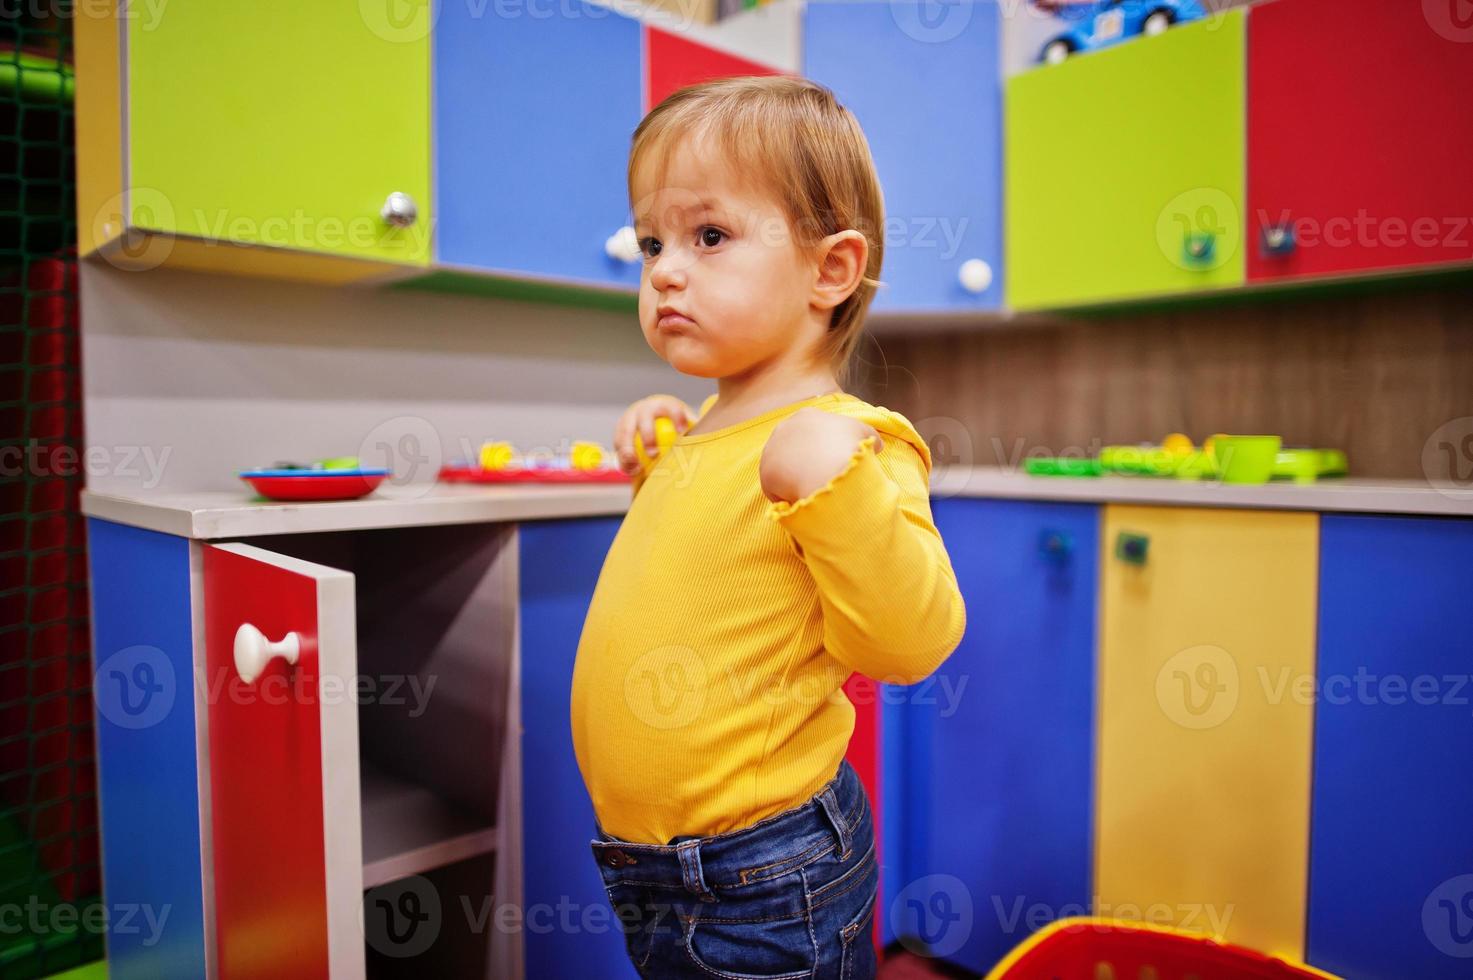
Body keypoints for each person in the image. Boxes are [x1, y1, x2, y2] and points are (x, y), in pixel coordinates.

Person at [569, 74, 967, 978]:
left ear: (830, 269)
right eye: (651, 242)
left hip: (765, 875)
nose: (665, 267)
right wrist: (658, 459)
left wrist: (835, 487)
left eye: (709, 236)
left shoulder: (851, 445)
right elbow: (703, 579)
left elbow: (913, 642)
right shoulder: (709, 430)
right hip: (652, 868)